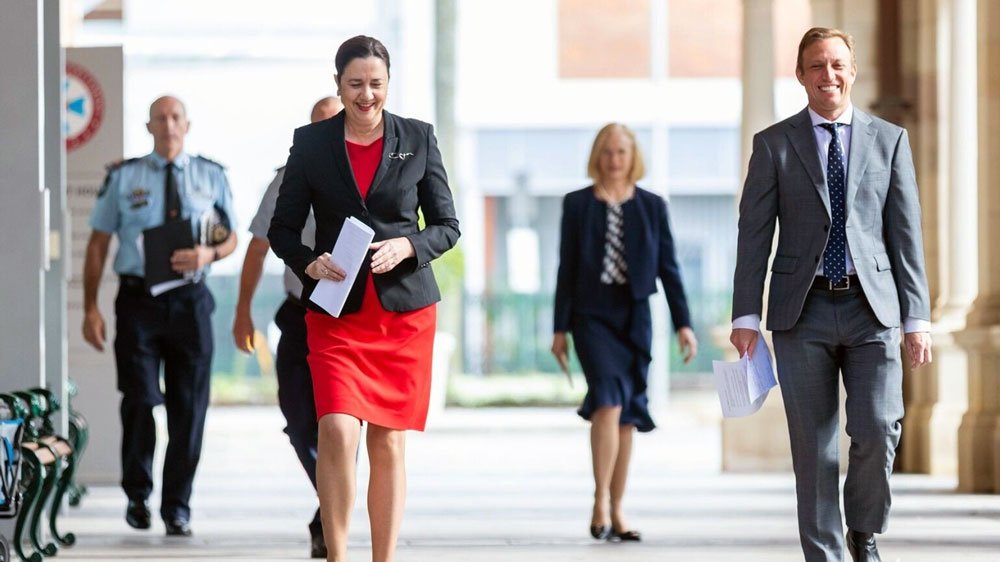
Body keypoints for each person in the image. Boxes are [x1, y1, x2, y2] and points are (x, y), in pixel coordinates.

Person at [730, 27, 933, 562]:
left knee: (879, 427)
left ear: (853, 70)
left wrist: (917, 319)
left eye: (837, 64)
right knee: (814, 447)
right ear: (800, 75)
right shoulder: (774, 144)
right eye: (816, 66)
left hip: (874, 310)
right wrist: (746, 314)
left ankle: (863, 530)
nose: (829, 75)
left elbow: (905, 234)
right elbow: (754, 234)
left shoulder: (889, 141)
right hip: (803, 313)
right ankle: (825, 555)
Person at [268, 35, 460, 562]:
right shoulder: (310, 144)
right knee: (334, 429)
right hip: (336, 311)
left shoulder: (418, 138)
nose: (366, 95)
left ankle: (384, 557)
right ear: (338, 85)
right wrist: (307, 261)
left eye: (376, 84)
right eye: (355, 84)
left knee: (387, 442)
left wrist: (409, 245)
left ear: (388, 84)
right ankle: (337, 555)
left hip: (403, 315)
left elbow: (447, 226)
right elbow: (282, 230)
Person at [82, 95, 237, 538]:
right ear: (149, 126)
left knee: (189, 409)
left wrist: (211, 251)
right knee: (140, 400)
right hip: (138, 304)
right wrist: (91, 307)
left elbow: (231, 238)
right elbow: (97, 243)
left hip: (191, 302)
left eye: (175, 118)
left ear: (187, 124)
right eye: (160, 119)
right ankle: (137, 491)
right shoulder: (125, 176)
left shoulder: (213, 175)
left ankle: (177, 506)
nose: (168, 125)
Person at [551, 123, 698, 543]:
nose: (615, 159)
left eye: (622, 151)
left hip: (634, 316)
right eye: (608, 151)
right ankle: (599, 499)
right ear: (598, 156)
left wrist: (683, 323)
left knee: (627, 415)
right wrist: (559, 328)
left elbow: (669, 267)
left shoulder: (652, 206)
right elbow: (566, 268)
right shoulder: (577, 204)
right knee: (608, 402)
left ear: (633, 157)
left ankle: (617, 508)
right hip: (590, 316)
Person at [232, 95, 343, 559]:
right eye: (317, 124)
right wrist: (243, 311)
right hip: (299, 314)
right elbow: (258, 247)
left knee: (341, 423)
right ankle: (330, 502)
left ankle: (329, 519)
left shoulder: (370, 178)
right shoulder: (286, 179)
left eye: (332, 123)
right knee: (300, 421)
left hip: (347, 319)